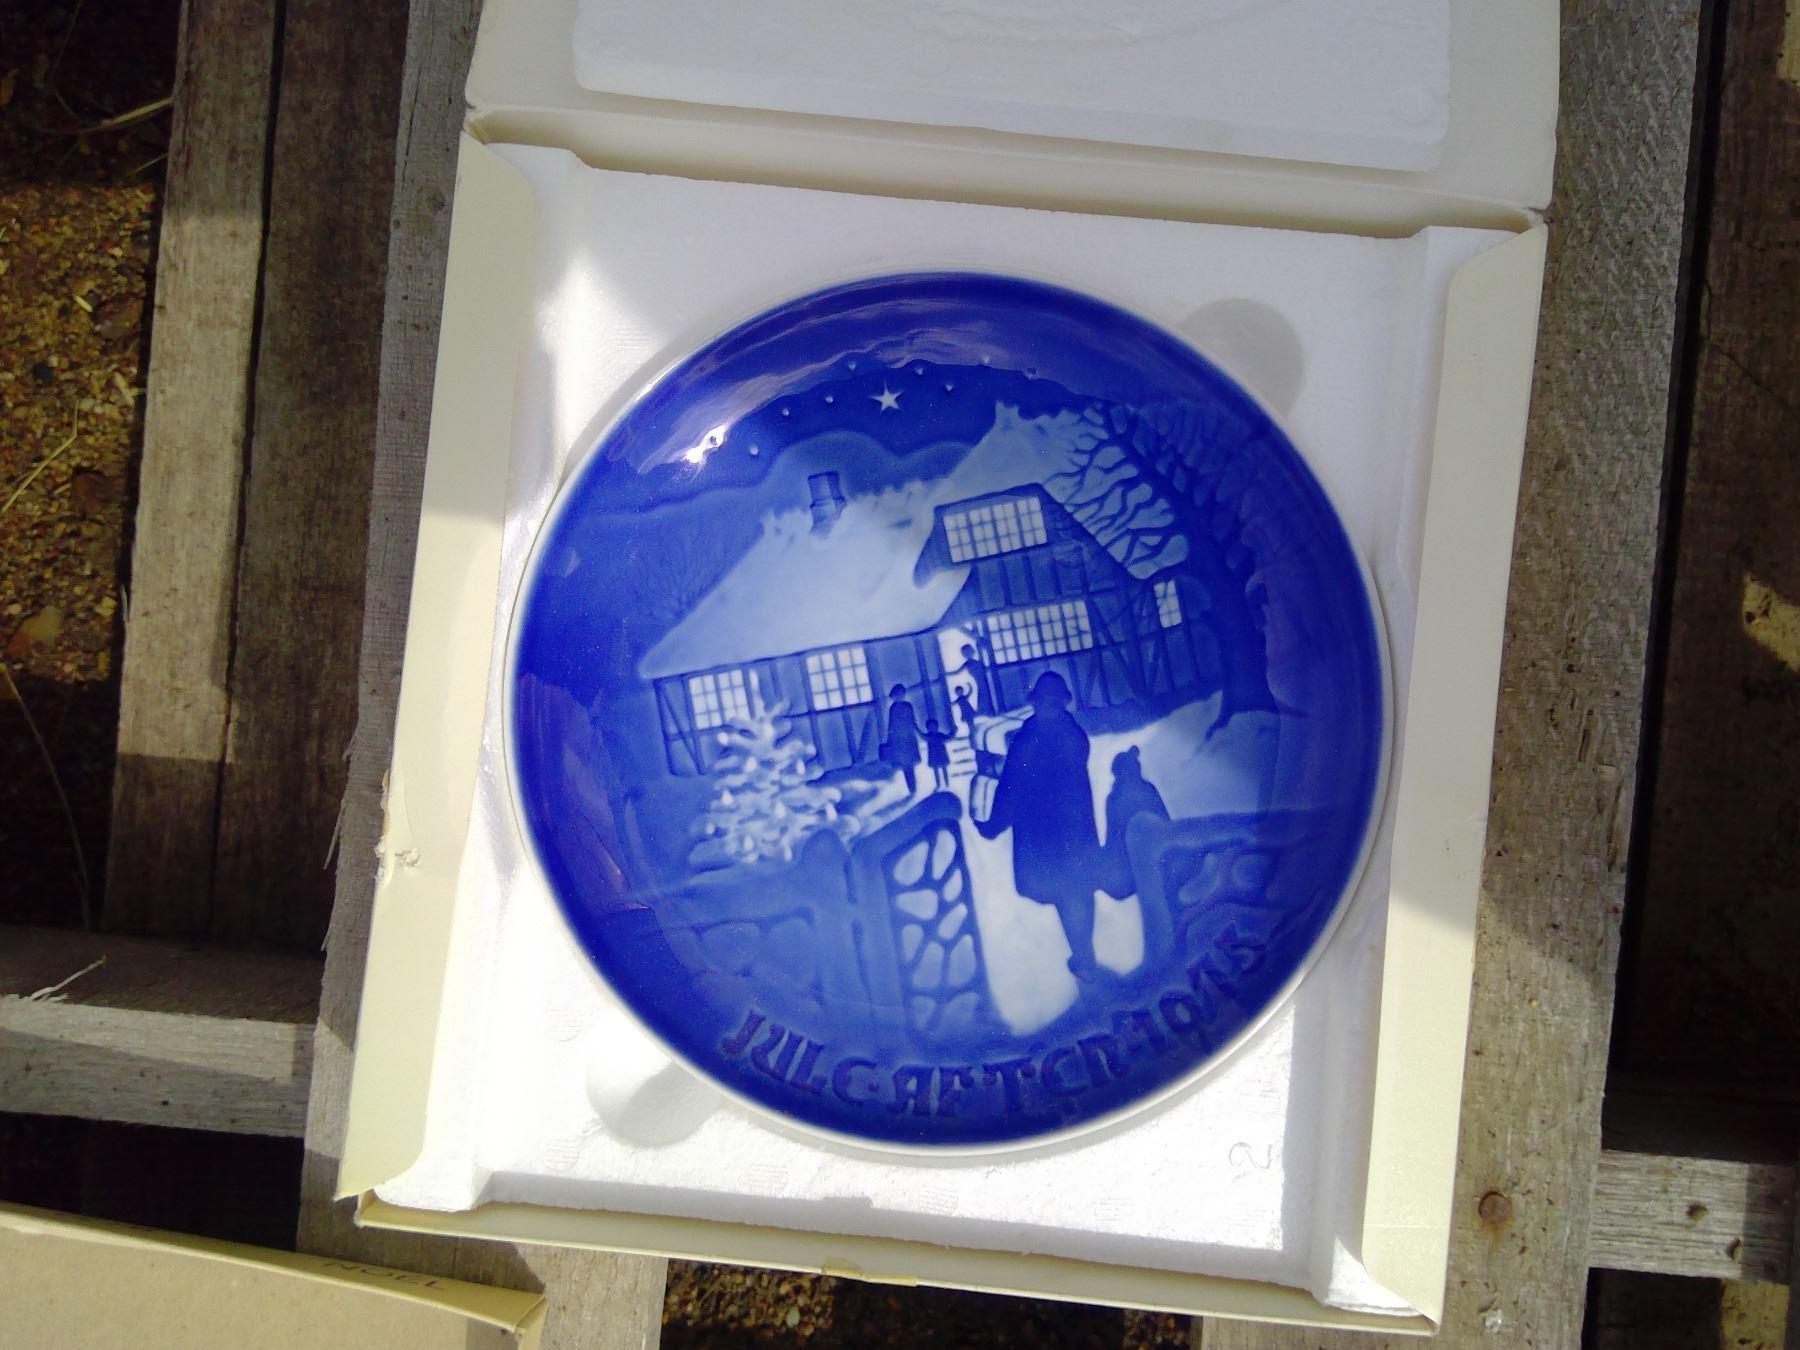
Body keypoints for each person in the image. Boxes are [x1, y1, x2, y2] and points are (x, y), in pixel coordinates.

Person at [975, 671, 1102, 980]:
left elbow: (1010, 788)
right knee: (1076, 892)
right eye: (1046, 701)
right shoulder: (1073, 736)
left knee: (1067, 891)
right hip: (1073, 831)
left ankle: (1084, 957)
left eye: (1051, 701)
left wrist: (994, 825)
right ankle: (1084, 955)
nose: (1047, 706)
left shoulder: (1027, 741)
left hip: (1045, 833)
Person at [880, 684, 921, 795]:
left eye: (901, 694)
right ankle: (910, 788)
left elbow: (913, 720)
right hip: (898, 740)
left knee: (910, 763)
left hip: (909, 738)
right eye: (896, 695)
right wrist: (890, 739)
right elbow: (891, 725)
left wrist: (916, 731)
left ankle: (914, 787)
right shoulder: (892, 708)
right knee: (904, 764)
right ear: (893, 696)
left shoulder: (908, 706)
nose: (899, 696)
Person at [952, 643, 990, 716]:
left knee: (984, 693)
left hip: (984, 679)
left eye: (969, 652)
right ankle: (983, 710)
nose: (968, 654)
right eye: (966, 653)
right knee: (981, 693)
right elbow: (957, 671)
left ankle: (985, 710)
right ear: (964, 655)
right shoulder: (967, 664)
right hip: (978, 680)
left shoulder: (978, 661)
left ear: (972, 652)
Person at [923, 718, 952, 791]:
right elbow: (922, 736)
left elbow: (948, 738)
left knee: (944, 769)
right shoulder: (928, 736)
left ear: (937, 726)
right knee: (936, 770)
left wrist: (953, 732)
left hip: (941, 753)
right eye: (930, 727)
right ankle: (938, 784)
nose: (933, 728)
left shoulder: (940, 735)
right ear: (928, 728)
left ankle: (947, 783)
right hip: (933, 755)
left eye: (934, 726)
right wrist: (916, 729)